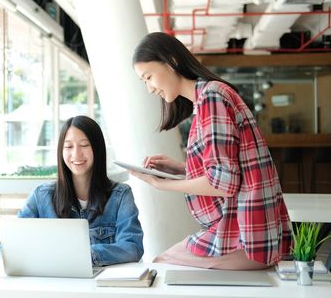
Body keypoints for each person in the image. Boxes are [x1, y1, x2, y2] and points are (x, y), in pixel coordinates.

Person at [130, 32, 291, 270]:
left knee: (161, 265)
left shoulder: (211, 97)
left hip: (247, 238)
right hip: (251, 232)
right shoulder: (207, 98)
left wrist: (160, 184)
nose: (150, 89)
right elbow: (232, 171)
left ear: (171, 61)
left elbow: (223, 183)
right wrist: (181, 169)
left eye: (149, 77)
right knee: (163, 265)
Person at [18, 115, 144, 266]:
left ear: (97, 148)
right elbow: (14, 241)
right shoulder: (41, 196)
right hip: (54, 282)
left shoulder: (121, 195)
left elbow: (132, 248)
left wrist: (83, 256)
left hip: (101, 285)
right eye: (69, 146)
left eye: (84, 145)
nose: (76, 154)